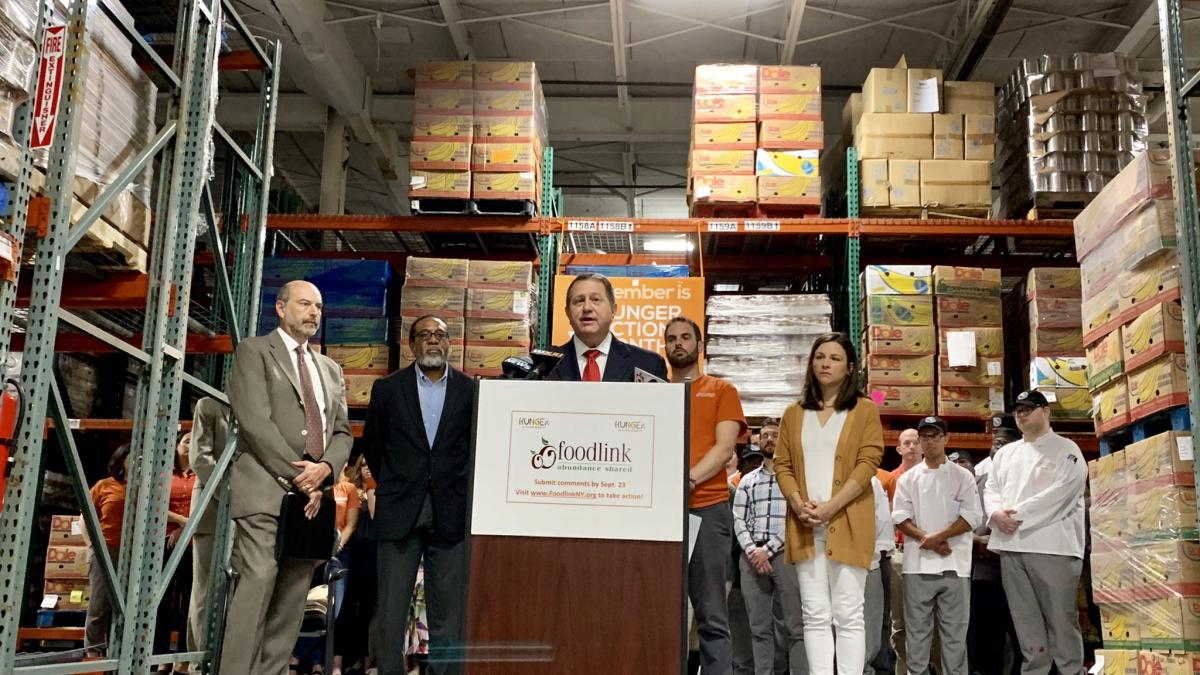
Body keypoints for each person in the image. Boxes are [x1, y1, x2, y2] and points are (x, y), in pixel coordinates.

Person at [221, 280, 354, 675]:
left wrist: (326, 470)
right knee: (258, 581)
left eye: (318, 306)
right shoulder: (254, 352)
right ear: (280, 308)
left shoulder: (330, 369)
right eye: (304, 304)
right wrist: (301, 478)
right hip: (265, 489)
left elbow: (343, 432)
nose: (313, 312)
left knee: (295, 593)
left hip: (313, 501)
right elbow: (255, 423)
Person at [360, 315, 475, 675]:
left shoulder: (471, 390)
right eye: (424, 335)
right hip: (399, 513)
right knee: (390, 613)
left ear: (450, 343)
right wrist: (397, 485)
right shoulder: (388, 389)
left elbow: (473, 449)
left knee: (448, 616)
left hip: (450, 513)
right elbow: (374, 447)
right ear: (411, 345)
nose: (433, 341)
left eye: (440, 335)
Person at [774, 332, 884, 675]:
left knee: (849, 613)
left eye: (835, 358)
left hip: (847, 522)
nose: (825, 363)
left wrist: (831, 506)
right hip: (805, 524)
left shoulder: (864, 409)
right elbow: (782, 463)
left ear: (850, 368)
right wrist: (798, 504)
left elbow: (869, 460)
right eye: (820, 356)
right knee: (814, 613)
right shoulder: (794, 413)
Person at [983, 391, 1087, 675]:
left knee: (1061, 620)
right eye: (1018, 410)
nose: (1021, 414)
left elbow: (1063, 493)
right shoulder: (1005, 454)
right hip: (1012, 548)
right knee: (1025, 622)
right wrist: (995, 514)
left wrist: (1013, 517)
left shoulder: (1066, 449)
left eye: (1029, 409)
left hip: (1054, 547)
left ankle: (1070, 671)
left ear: (1046, 411)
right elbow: (991, 489)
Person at [666, 316, 747, 675]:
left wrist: (688, 480)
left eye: (685, 338)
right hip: (659, 516)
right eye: (671, 339)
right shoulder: (654, 390)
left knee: (711, 615)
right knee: (662, 616)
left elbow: (725, 447)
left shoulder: (721, 390)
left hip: (707, 509)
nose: (678, 344)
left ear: (700, 346)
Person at [892, 417, 982, 675]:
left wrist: (937, 538)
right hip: (917, 567)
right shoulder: (908, 479)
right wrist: (928, 540)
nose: (929, 441)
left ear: (946, 439)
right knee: (917, 636)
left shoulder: (962, 476)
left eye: (935, 436)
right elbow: (900, 517)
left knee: (955, 637)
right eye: (925, 437)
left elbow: (971, 517)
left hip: (955, 567)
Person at [732, 417, 806, 675]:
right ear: (757, 441)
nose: (769, 439)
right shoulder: (747, 481)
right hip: (751, 558)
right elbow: (738, 519)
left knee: (795, 626)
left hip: (785, 554)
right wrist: (753, 550)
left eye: (774, 435)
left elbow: (797, 518)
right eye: (764, 436)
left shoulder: (795, 479)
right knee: (758, 627)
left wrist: (769, 550)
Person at [967, 425, 1022, 675]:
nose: (997, 448)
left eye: (1004, 443)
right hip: (986, 574)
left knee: (1024, 640)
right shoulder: (978, 483)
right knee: (986, 641)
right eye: (995, 443)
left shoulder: (1028, 480)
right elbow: (965, 523)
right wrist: (977, 541)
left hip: (1021, 571)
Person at [546, 273, 668, 381]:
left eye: (595, 299)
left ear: (613, 310)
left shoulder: (649, 364)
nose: (587, 308)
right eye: (579, 301)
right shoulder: (544, 365)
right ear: (567, 313)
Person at [186, 397, 229, 675]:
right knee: (205, 591)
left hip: (247, 509)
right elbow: (200, 457)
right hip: (214, 508)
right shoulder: (209, 405)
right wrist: (226, 494)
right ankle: (200, 662)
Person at [84, 443, 131, 657]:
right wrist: (92, 547)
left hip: (133, 554)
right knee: (99, 605)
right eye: (133, 457)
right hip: (107, 549)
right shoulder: (104, 486)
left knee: (124, 607)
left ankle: (117, 654)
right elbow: (85, 517)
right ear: (121, 460)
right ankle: (93, 653)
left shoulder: (145, 487)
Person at [156, 431, 197, 672]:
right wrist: (181, 521)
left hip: (192, 545)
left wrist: (185, 529)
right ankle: (159, 657)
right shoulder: (164, 475)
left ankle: (182, 658)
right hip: (163, 542)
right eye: (186, 441)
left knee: (189, 602)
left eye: (194, 441)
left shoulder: (203, 475)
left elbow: (206, 506)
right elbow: (154, 503)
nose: (190, 445)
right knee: (162, 601)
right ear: (177, 446)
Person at [886, 428, 922, 675]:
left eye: (915, 442)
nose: (911, 446)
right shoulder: (890, 480)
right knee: (899, 622)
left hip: (928, 552)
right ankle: (903, 669)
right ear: (898, 449)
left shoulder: (935, 476)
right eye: (906, 443)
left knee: (932, 620)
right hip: (899, 552)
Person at [864, 475, 895, 675]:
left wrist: (878, 554)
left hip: (870, 562)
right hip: (833, 562)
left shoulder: (872, 481)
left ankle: (868, 668)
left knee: (873, 620)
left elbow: (883, 521)